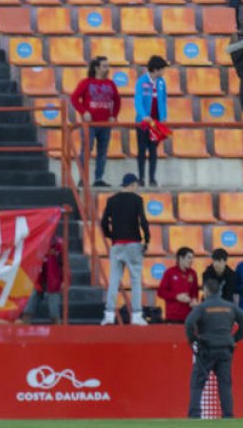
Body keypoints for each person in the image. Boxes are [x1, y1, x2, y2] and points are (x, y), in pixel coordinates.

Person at [185, 276, 243, 419]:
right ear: (219, 291)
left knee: (197, 381)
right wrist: (234, 338)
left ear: (206, 291)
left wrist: (193, 339)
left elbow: (189, 323)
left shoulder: (202, 307)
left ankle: (195, 414)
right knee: (225, 384)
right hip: (225, 349)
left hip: (206, 349)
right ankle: (228, 415)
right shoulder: (229, 306)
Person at [99, 174, 150, 326]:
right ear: (132, 184)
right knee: (135, 281)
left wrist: (112, 236)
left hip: (117, 245)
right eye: (136, 184)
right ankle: (136, 315)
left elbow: (103, 223)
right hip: (134, 244)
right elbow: (143, 221)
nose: (137, 188)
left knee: (114, 280)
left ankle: (108, 315)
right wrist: (147, 240)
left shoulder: (112, 200)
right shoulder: (137, 200)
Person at [70, 56, 121, 187]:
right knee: (86, 150)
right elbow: (74, 98)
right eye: (104, 66)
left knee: (102, 152)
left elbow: (117, 101)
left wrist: (113, 115)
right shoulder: (86, 82)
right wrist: (83, 112)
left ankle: (98, 178)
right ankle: (83, 178)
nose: (107, 68)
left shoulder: (111, 84)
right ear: (96, 68)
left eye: (107, 66)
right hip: (90, 124)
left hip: (105, 124)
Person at [133, 55, 168, 186]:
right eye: (162, 69)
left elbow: (163, 100)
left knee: (153, 150)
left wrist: (164, 117)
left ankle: (152, 178)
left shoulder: (161, 82)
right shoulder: (142, 81)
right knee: (141, 150)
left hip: (156, 122)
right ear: (156, 69)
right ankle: (141, 178)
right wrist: (143, 115)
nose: (163, 72)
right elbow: (138, 101)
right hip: (143, 122)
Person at [23, 233, 64, 323]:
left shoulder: (59, 244)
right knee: (27, 311)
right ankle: (22, 331)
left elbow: (64, 264)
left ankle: (58, 334)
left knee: (54, 314)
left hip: (53, 280)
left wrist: (65, 280)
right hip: (38, 279)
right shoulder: (36, 242)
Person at [158, 247, 199, 324]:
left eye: (192, 258)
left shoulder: (193, 273)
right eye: (189, 258)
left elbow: (195, 292)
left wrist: (194, 300)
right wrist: (176, 296)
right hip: (173, 316)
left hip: (189, 316)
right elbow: (161, 292)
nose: (191, 261)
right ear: (181, 258)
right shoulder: (169, 272)